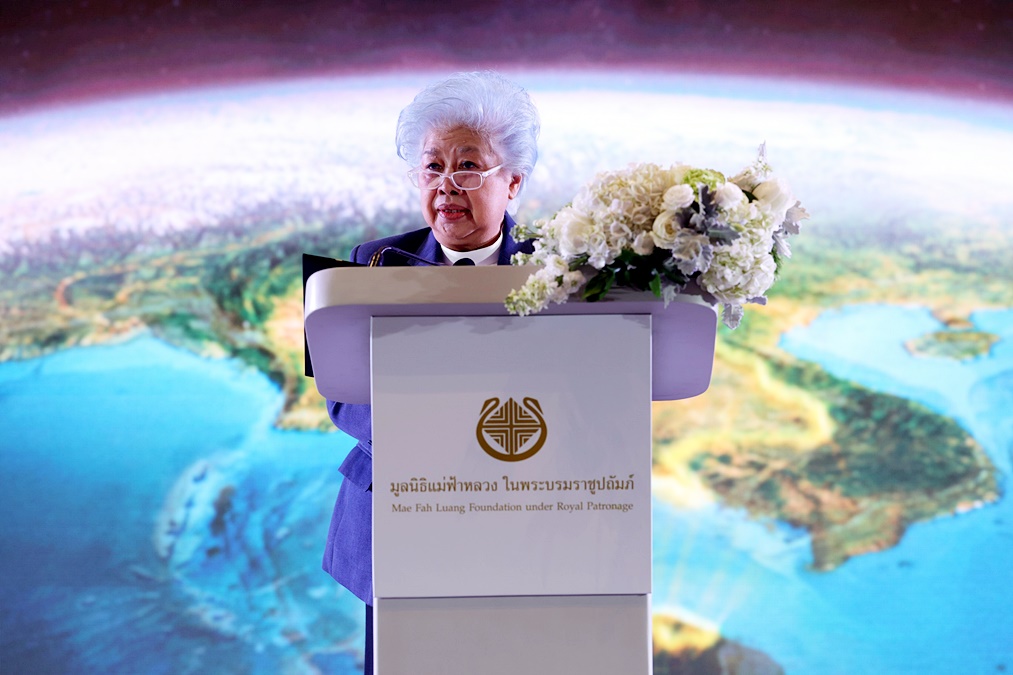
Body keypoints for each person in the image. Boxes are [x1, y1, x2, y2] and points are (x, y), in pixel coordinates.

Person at [321, 71, 540, 673]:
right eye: (432, 167)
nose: (446, 185)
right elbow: (341, 396)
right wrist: (435, 431)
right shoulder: (372, 261)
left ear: (513, 182)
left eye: (467, 167)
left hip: (521, 514)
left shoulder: (556, 268)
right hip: (399, 513)